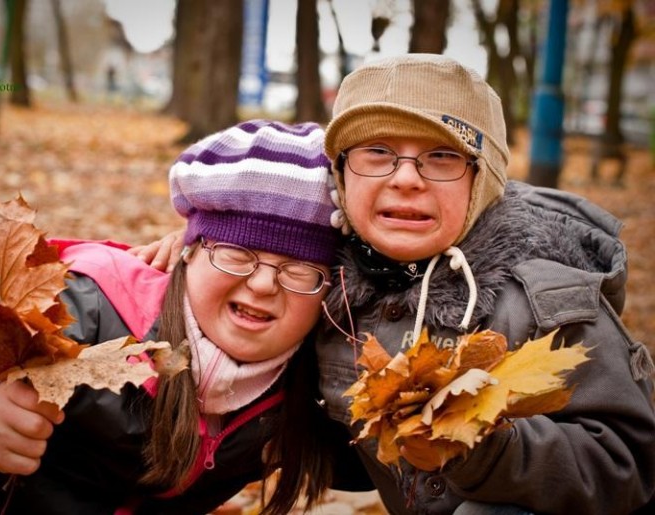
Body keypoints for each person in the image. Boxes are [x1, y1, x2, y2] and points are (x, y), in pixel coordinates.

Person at [134, 54, 655, 515]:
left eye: (443, 156)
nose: (406, 177)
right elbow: (268, 222)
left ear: (485, 180)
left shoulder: (546, 302)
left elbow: (630, 462)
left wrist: (481, 448)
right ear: (341, 178)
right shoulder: (329, 288)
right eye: (377, 151)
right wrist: (198, 244)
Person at [0, 120, 372, 514]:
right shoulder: (94, 306)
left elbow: (378, 461)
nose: (264, 283)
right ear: (188, 250)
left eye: (300, 269)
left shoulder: (310, 376)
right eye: (236, 252)